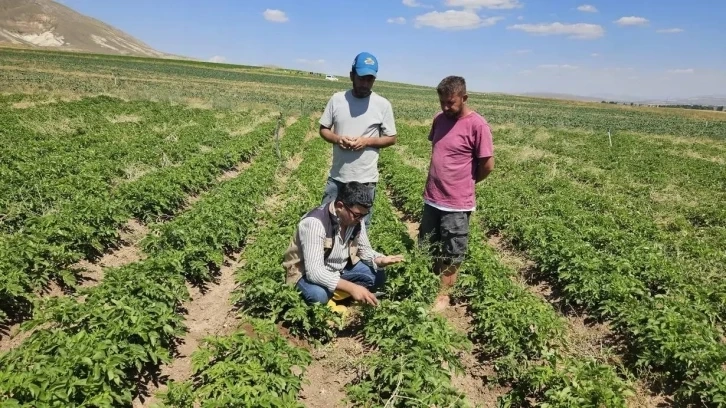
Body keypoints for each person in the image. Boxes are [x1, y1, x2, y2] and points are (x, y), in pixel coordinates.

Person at [418, 76, 495, 311]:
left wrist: (467, 184)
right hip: (432, 197)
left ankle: (443, 295)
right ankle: (426, 284)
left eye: (450, 102)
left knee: (452, 251)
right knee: (426, 244)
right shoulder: (439, 119)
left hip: (456, 202)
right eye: (442, 102)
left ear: (464, 98)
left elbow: (488, 164)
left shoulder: (477, 125)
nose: (445, 107)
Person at [282, 181, 404, 313]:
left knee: (378, 276)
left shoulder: (355, 220)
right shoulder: (315, 223)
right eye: (357, 215)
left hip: (339, 269)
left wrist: (379, 260)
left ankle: (336, 293)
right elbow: (315, 273)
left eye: (364, 215)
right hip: (305, 273)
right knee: (318, 296)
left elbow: (364, 249)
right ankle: (332, 298)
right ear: (340, 206)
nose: (361, 219)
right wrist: (352, 288)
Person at [318, 51, 398, 229]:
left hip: (365, 180)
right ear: (351, 75)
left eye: (369, 79)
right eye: (361, 78)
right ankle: (327, 256)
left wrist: (366, 141)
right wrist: (338, 139)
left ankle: (353, 257)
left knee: (359, 230)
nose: (365, 84)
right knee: (327, 224)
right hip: (338, 177)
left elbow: (391, 138)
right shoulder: (337, 99)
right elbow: (323, 130)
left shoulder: (382, 105)